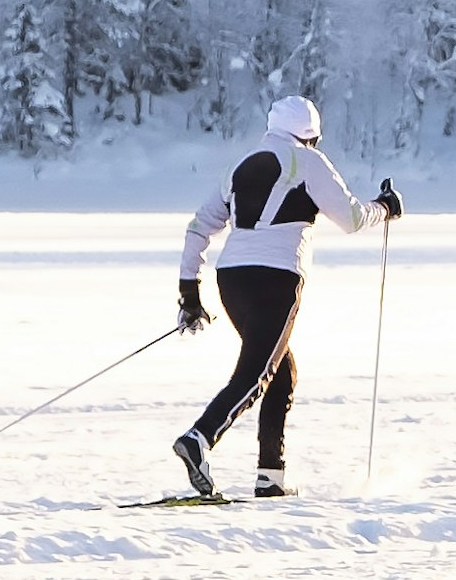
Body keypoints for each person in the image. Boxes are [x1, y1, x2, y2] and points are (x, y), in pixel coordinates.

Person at [170, 95, 401, 498]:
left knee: (280, 370)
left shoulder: (240, 166)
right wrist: (385, 207)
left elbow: (198, 227)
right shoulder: (309, 162)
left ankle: (271, 477)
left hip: (232, 281)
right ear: (311, 135)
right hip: (276, 279)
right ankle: (199, 438)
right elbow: (351, 218)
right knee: (259, 373)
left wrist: (190, 293)